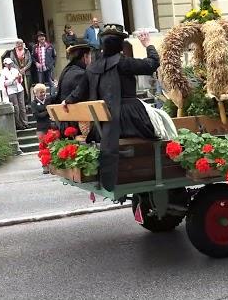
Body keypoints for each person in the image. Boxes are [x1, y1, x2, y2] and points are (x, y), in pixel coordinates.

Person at [63, 24, 160, 191]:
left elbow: (79, 92)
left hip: (103, 126)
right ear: (120, 45)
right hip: (130, 120)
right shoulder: (124, 63)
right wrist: (148, 45)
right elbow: (152, 63)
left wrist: (67, 101)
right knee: (161, 125)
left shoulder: (92, 67)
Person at [50, 40, 93, 136]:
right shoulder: (81, 74)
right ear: (85, 57)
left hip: (65, 122)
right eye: (90, 56)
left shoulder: (66, 72)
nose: (91, 60)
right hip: (76, 126)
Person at [1, 57, 30, 129]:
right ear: (5, 64)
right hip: (11, 91)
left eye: (10, 63)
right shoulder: (3, 72)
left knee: (22, 107)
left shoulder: (15, 70)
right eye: (8, 64)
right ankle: (18, 124)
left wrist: (19, 78)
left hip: (19, 89)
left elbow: (20, 80)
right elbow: (4, 83)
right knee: (16, 108)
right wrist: (13, 79)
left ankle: (25, 123)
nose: (10, 65)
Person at [31, 83, 52, 173]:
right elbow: (37, 116)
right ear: (36, 94)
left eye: (44, 92)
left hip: (50, 126)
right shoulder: (34, 103)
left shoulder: (48, 100)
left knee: (51, 147)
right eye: (41, 92)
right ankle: (45, 166)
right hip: (41, 128)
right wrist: (47, 111)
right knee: (43, 148)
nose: (43, 94)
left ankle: (52, 165)